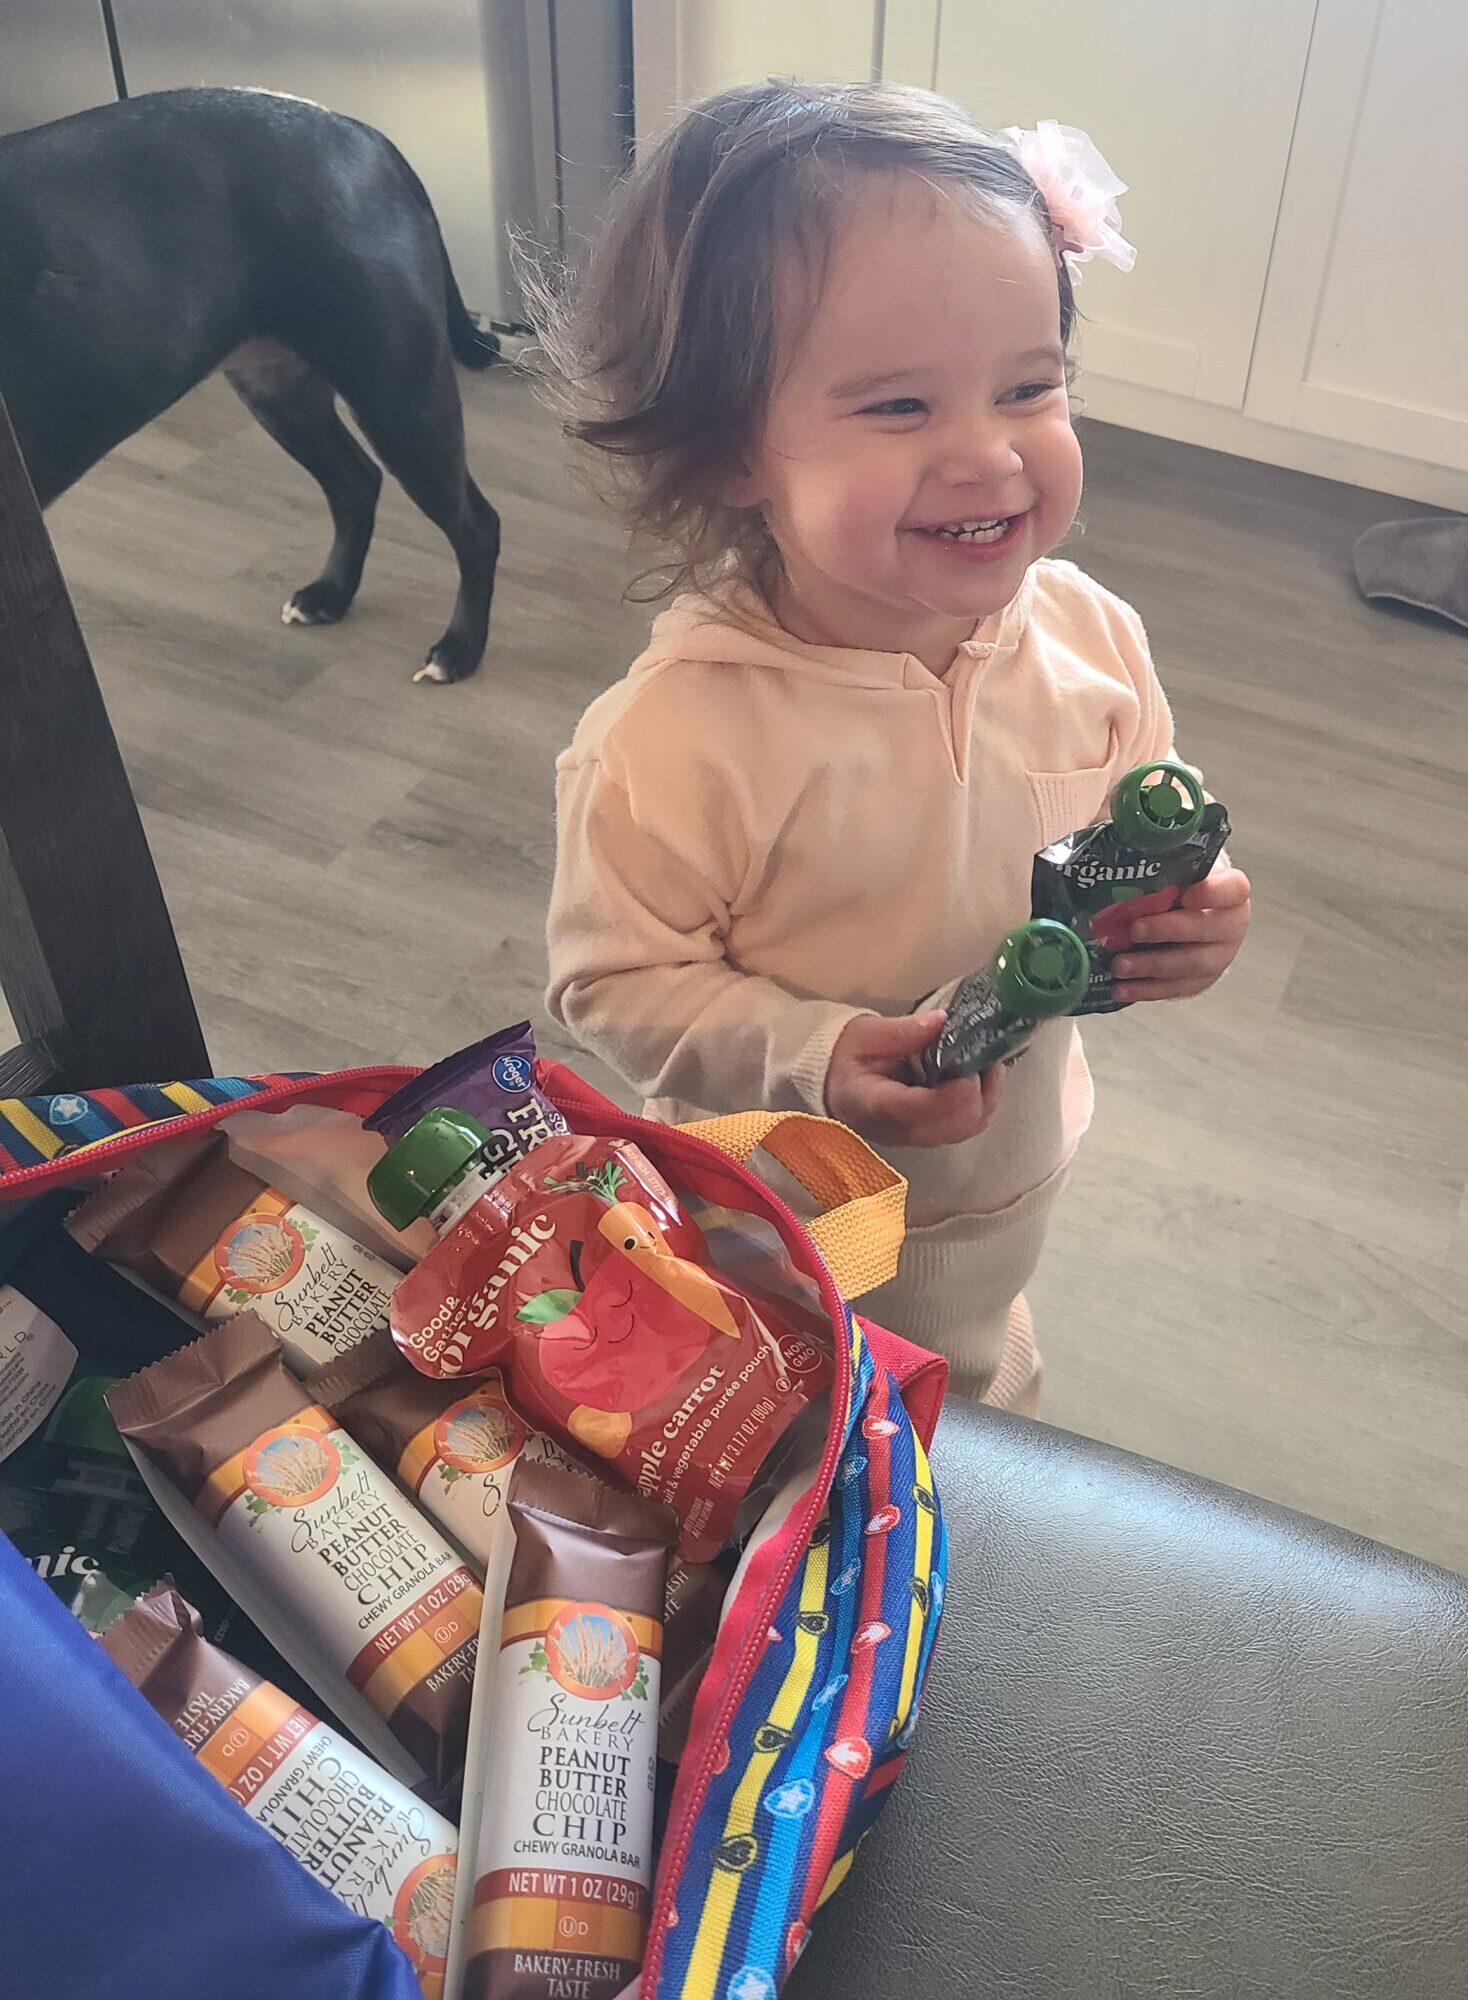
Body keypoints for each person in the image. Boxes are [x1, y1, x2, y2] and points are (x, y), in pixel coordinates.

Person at [541, 82, 1251, 1411]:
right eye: (897, 408)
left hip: (1006, 1176)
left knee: (977, 1375)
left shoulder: (1096, 641)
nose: (990, 454)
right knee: (811, 1430)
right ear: (731, 448)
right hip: (785, 1220)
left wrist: (1189, 916)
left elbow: (1136, 836)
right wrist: (816, 1052)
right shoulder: (677, 739)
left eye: (1029, 386)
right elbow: (613, 985)